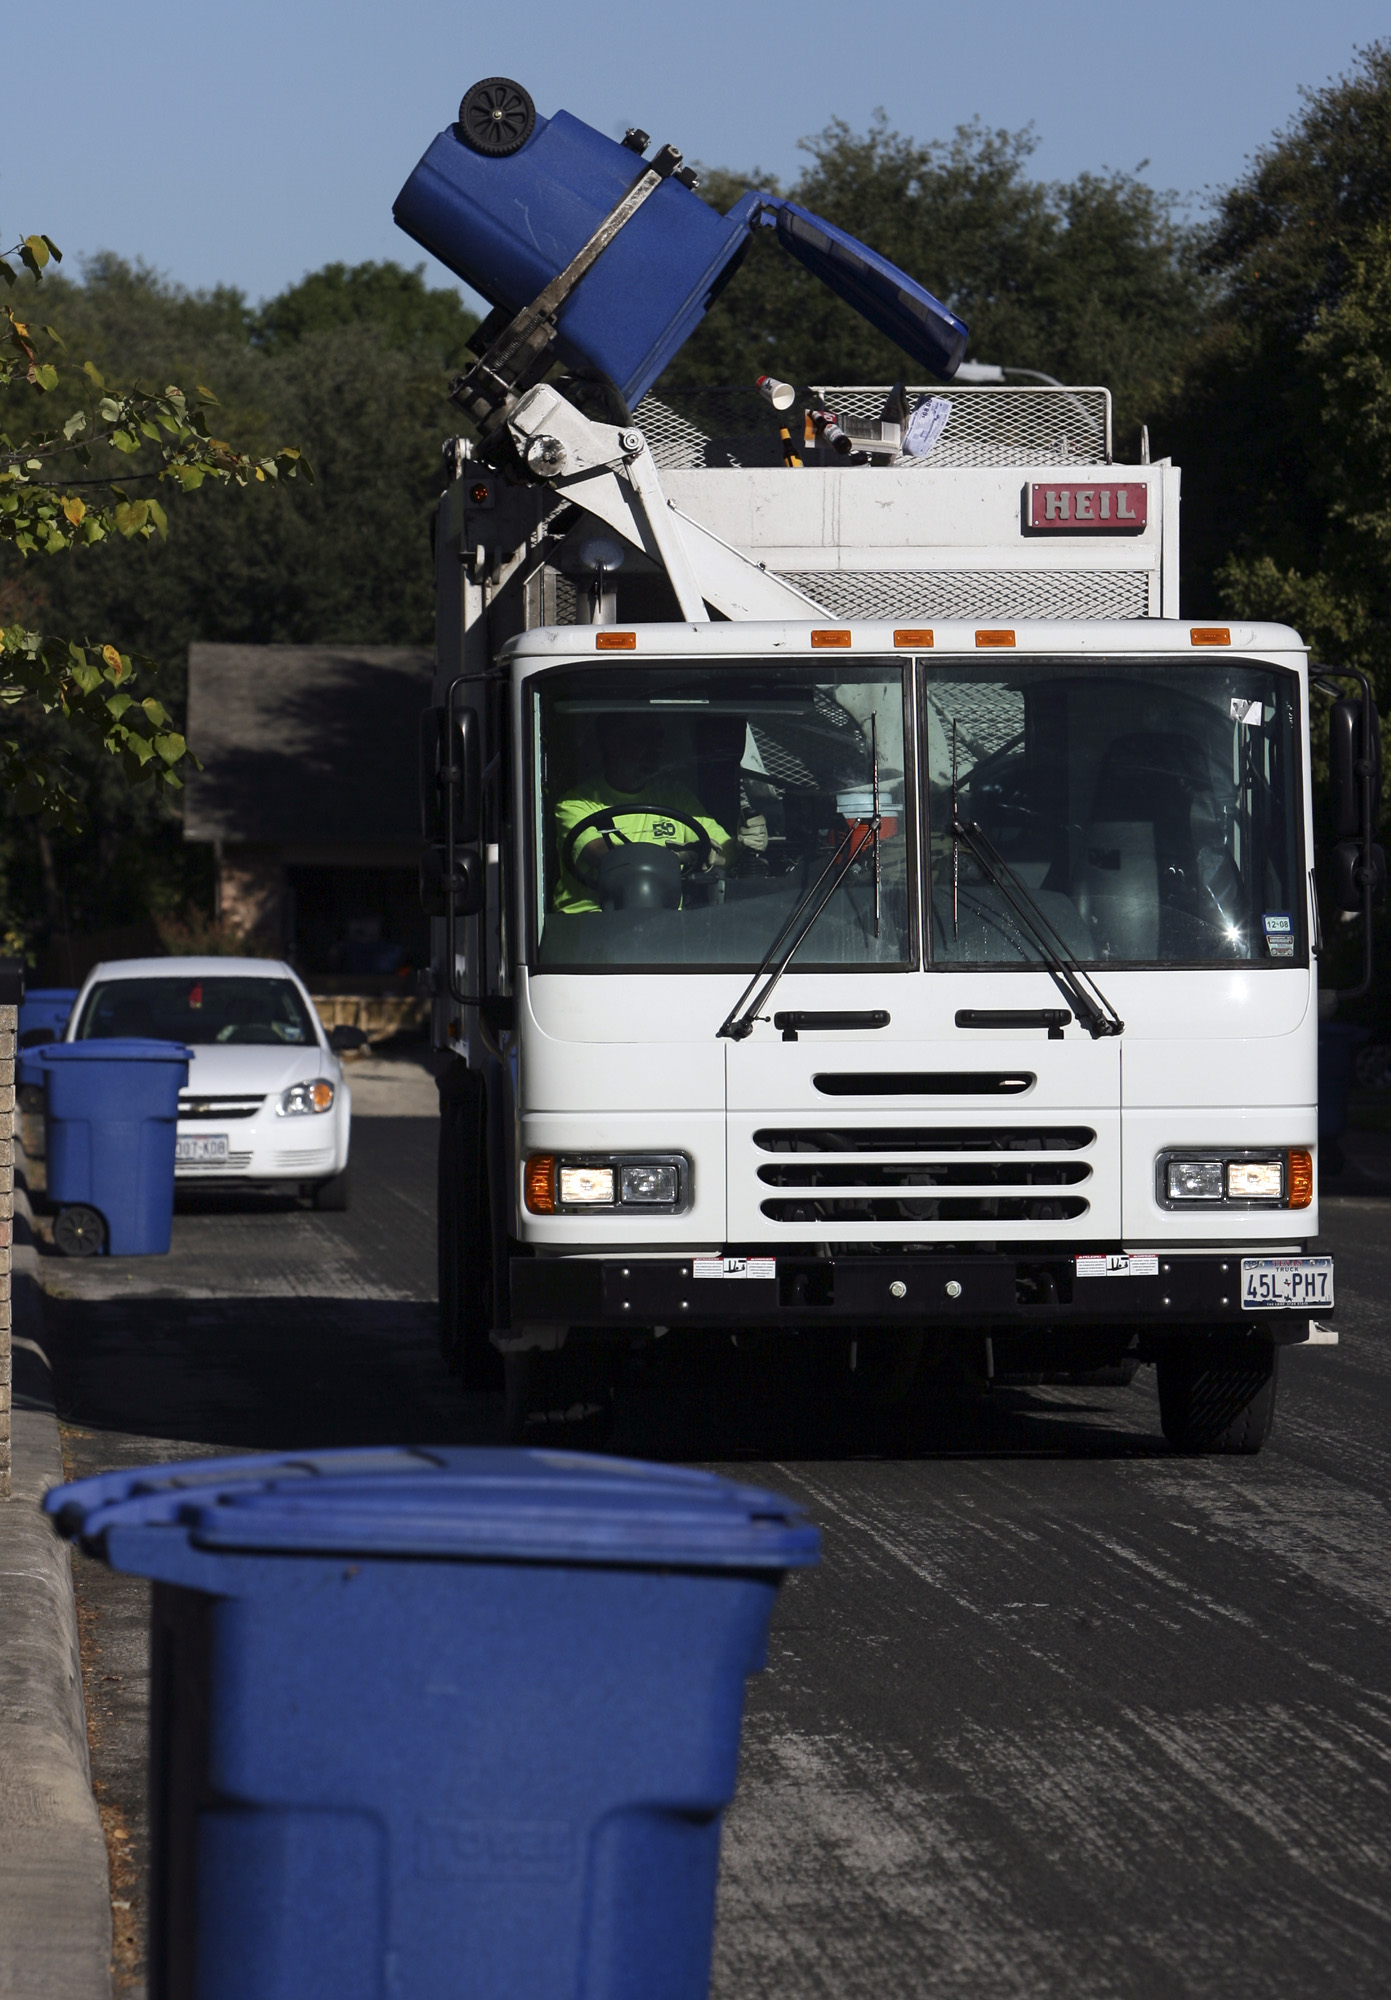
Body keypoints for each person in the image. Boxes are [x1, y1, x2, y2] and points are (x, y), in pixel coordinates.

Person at [554, 711, 767, 914]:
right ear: (612, 742)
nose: (655, 746)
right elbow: (610, 859)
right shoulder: (575, 804)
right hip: (591, 922)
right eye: (642, 737)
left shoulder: (675, 797)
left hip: (665, 923)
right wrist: (677, 857)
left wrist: (743, 844)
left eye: (658, 736)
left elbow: (722, 848)